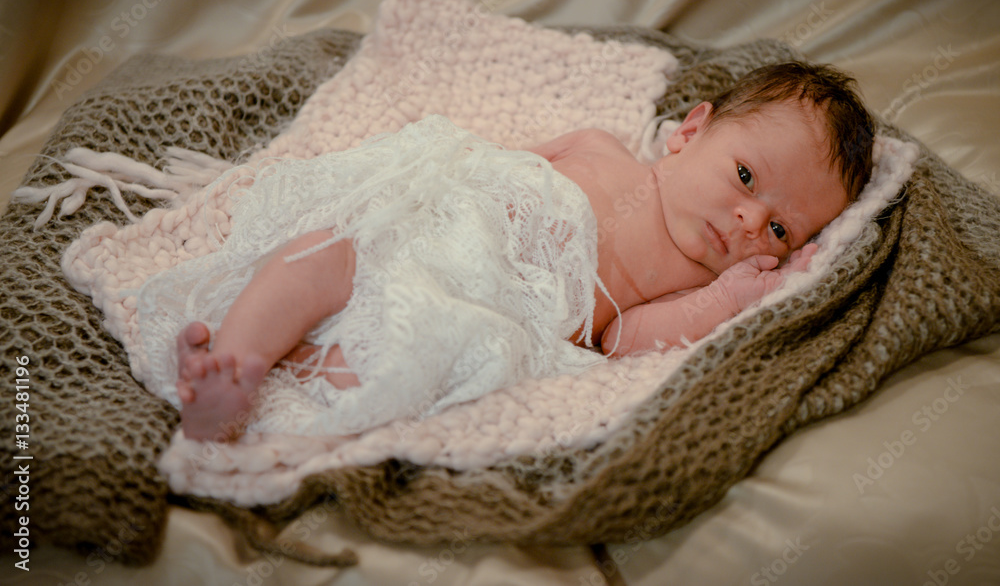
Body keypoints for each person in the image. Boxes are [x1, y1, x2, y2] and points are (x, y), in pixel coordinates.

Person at [151, 60, 875, 441]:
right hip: (422, 232)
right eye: (745, 176)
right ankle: (232, 366)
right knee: (319, 249)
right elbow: (479, 159)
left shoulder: (686, 279)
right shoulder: (597, 147)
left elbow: (619, 340)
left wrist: (722, 302)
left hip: (480, 303)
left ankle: (293, 374)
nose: (749, 220)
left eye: (780, 230)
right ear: (690, 133)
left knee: (416, 352)